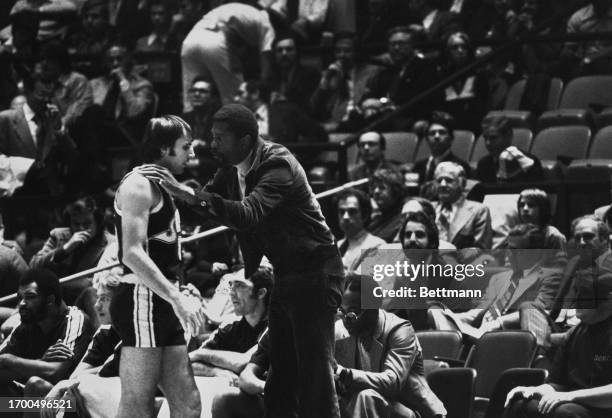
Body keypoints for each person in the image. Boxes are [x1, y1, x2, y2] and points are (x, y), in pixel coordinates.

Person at [139, 104, 346, 418]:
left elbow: (249, 214)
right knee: (280, 377)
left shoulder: (279, 164)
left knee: (314, 374)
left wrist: (192, 196)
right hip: (287, 276)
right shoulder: (230, 169)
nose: (214, 145)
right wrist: (164, 191)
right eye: (213, 137)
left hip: (317, 273)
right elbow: (204, 204)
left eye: (221, 138)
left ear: (246, 140)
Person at [110, 115, 205, 418]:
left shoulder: (166, 185)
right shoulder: (138, 185)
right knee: (137, 406)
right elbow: (132, 254)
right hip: (143, 300)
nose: (192, 153)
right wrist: (177, 298)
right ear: (164, 149)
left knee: (188, 405)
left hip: (161, 301)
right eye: (186, 146)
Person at [504, 259, 612, 418]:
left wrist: (570, 396)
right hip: (576, 401)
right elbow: (557, 383)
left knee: (566, 413)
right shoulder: (575, 332)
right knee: (520, 403)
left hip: (602, 408)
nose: (574, 301)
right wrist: (537, 390)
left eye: (584, 295)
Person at [335, 274, 447, 417]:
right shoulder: (340, 330)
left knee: (367, 397)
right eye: (342, 312)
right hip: (363, 408)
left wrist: (344, 374)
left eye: (352, 313)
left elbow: (392, 383)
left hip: (407, 409)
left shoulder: (401, 331)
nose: (346, 321)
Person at [0, 268, 93, 396]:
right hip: (26, 405)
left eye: (30, 297)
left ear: (50, 300)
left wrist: (11, 361)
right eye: (20, 297)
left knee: (35, 385)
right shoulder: (27, 324)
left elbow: (55, 372)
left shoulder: (75, 319)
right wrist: (40, 363)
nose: (22, 303)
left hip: (67, 405)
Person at [433, 162, 492, 249]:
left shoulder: (479, 211)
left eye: (449, 180)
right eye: (439, 180)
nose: (442, 185)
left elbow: (481, 251)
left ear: (462, 184)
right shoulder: (427, 208)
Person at [335, 188, 385, 273]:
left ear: (365, 215)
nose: (345, 217)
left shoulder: (377, 246)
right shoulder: (337, 246)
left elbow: (363, 282)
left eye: (352, 211)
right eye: (342, 212)